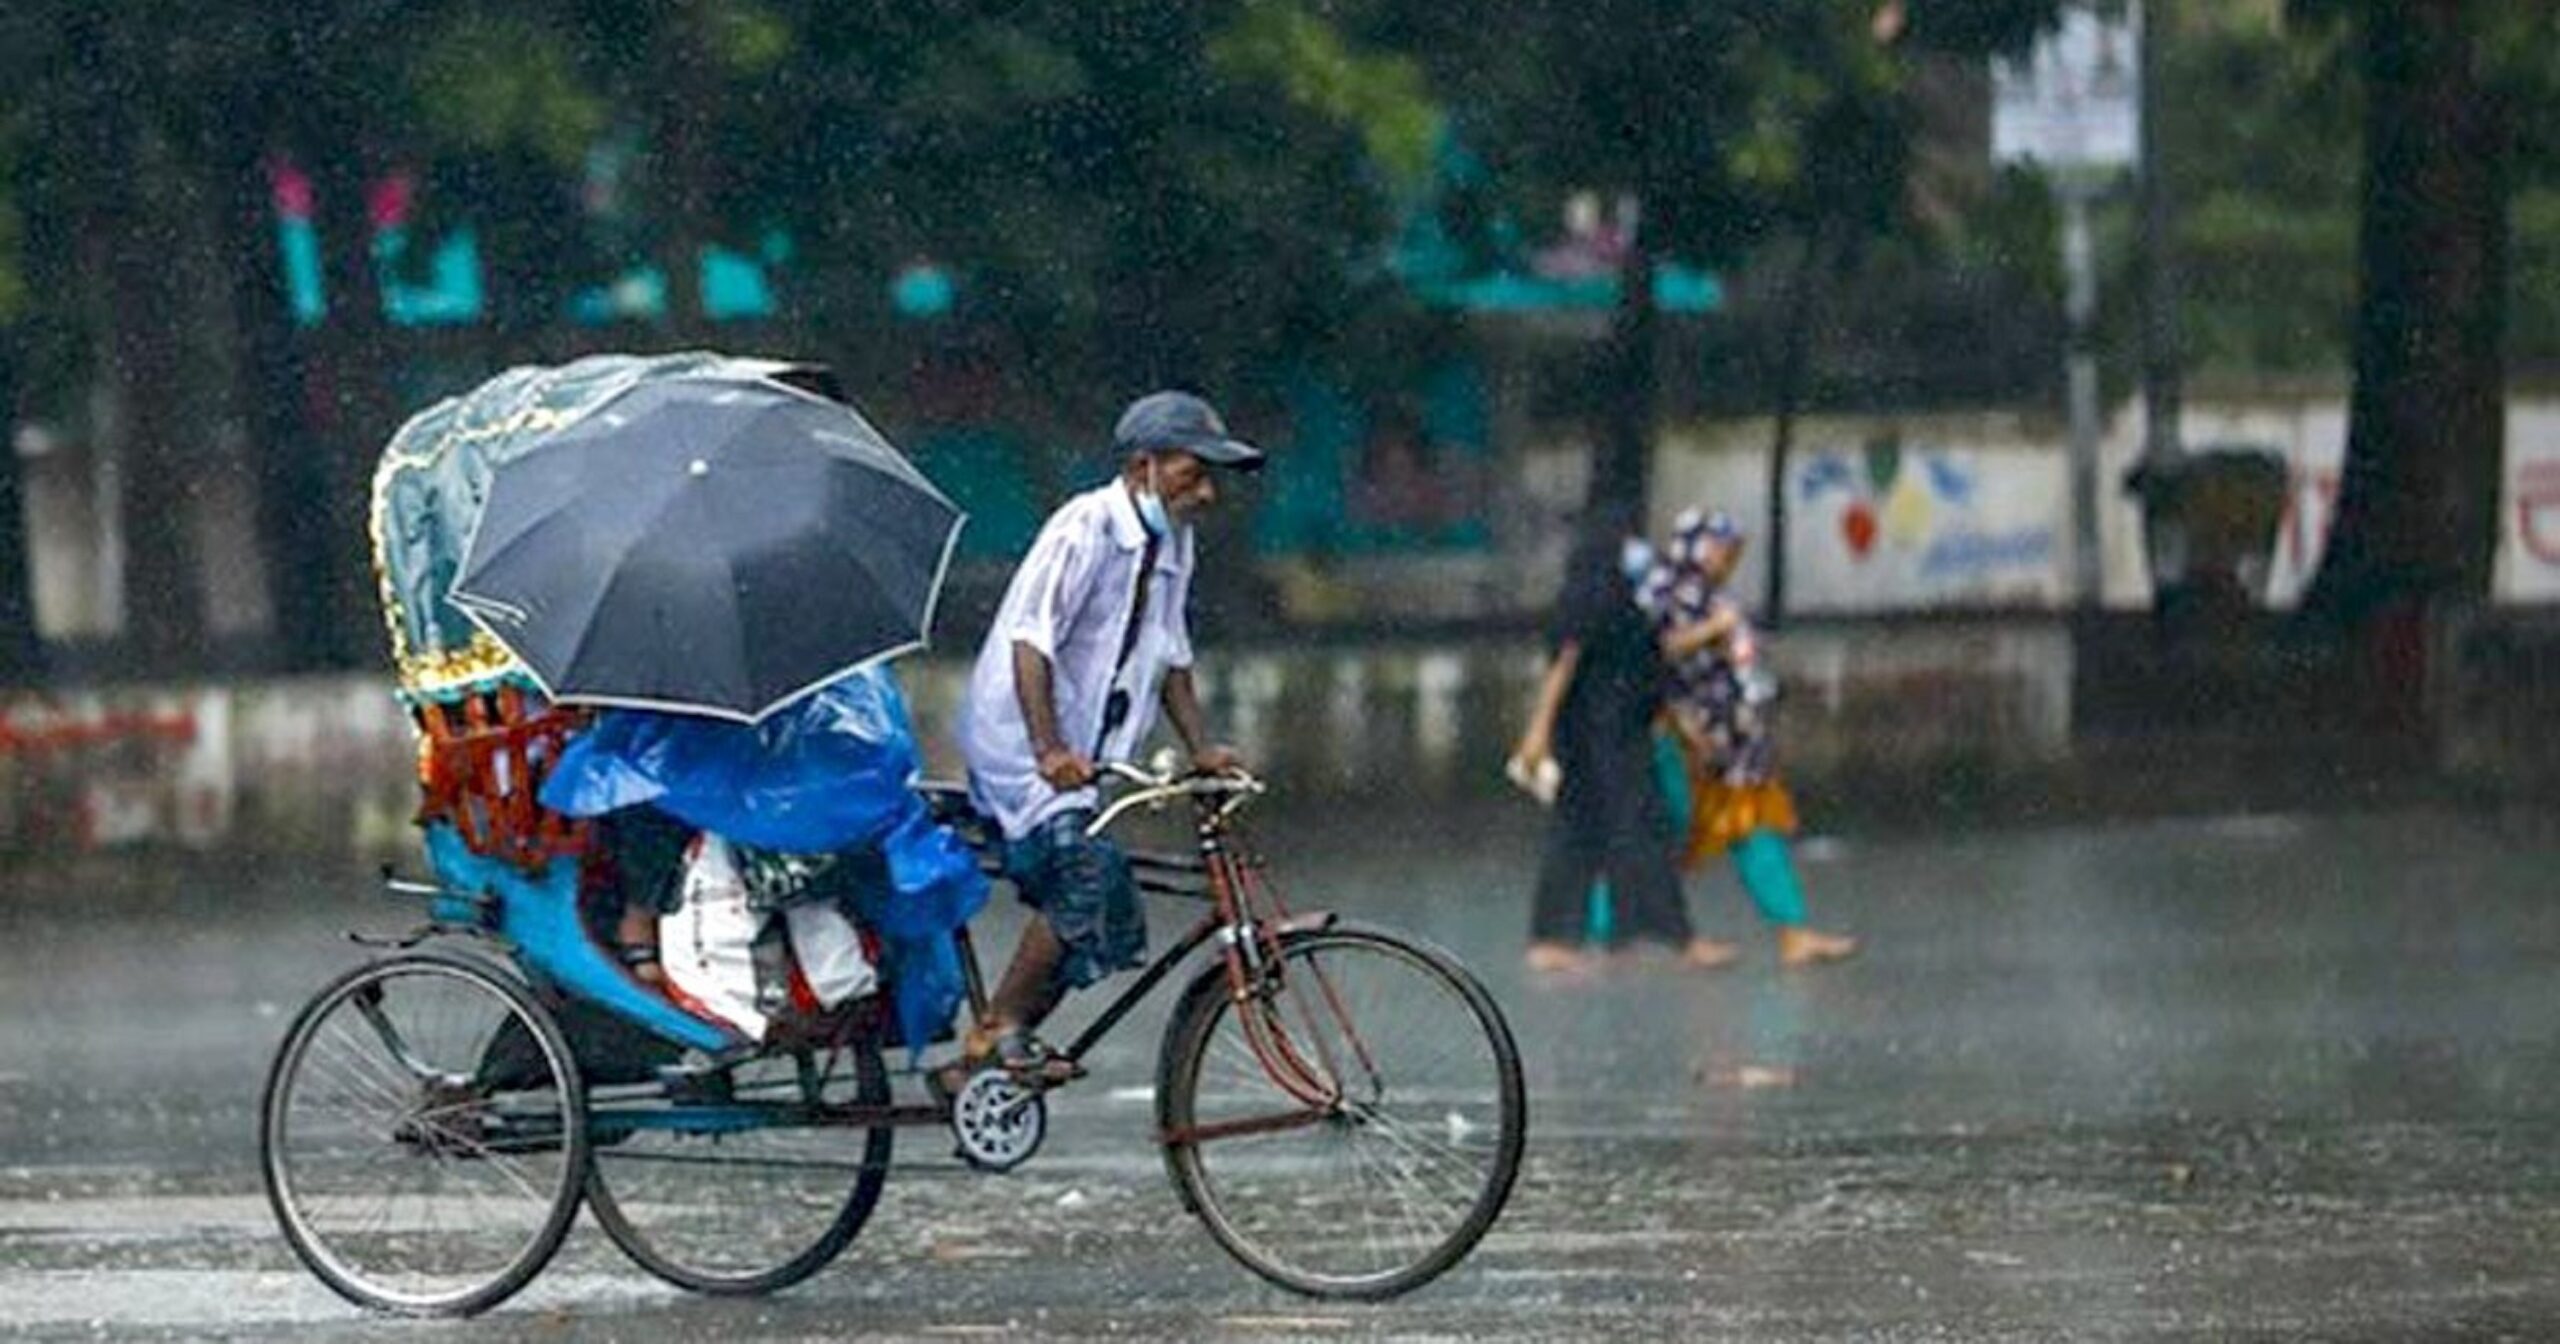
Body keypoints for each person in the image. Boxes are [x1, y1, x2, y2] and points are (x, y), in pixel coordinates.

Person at [949, 390, 1259, 1085]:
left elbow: (1171, 653)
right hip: (1023, 750)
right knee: (1088, 876)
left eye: (1212, 479)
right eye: (1192, 473)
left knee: (1103, 902)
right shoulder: (1083, 528)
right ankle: (995, 1032)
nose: (1206, 492)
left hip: (1090, 757)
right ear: (1144, 465)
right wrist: (1048, 749)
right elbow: (1033, 643)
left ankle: (1001, 1044)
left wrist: (1203, 747)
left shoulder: (1172, 542)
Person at [1511, 509, 1734, 974]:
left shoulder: (1628, 607)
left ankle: (1623, 936)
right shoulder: (1588, 601)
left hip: (1623, 734)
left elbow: (1653, 670)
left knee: (1608, 834)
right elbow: (1562, 667)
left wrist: (1685, 729)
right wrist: (1536, 734)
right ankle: (1661, 936)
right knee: (1624, 833)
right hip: (1595, 738)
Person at [1642, 508, 1858, 968]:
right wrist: (1711, 632)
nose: (1728, 557)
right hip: (1688, 742)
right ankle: (1602, 930)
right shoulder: (1667, 593)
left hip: (1734, 744)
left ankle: (1793, 930)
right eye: (1721, 547)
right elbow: (1655, 652)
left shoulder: (1714, 595)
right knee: (1656, 836)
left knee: (1756, 829)